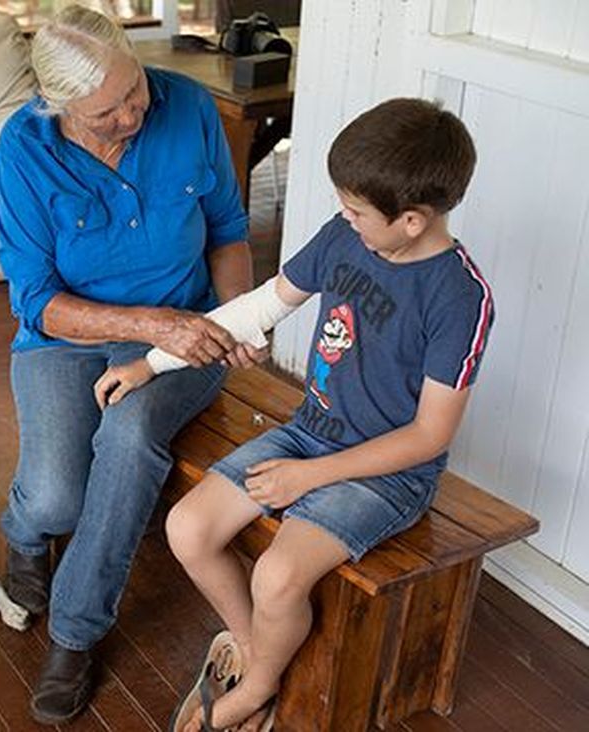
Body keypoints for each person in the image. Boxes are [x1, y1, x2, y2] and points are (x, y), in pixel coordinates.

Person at [97, 97, 492, 732]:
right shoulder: (344, 238)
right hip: (311, 433)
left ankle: (256, 688)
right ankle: (252, 646)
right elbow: (263, 305)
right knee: (188, 528)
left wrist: (307, 477)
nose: (345, 218)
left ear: (412, 220)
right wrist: (150, 363)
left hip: (388, 475)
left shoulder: (459, 296)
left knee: (278, 577)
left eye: (357, 212)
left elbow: (429, 435)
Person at [0, 4, 257, 724]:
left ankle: (74, 634)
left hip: (184, 335)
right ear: (58, 106)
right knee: (56, 501)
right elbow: (37, 300)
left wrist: (233, 319)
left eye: (134, 90)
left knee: (131, 437)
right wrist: (144, 322)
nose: (133, 114)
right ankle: (25, 532)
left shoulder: (188, 107)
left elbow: (228, 229)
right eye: (107, 112)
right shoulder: (23, 150)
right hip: (65, 337)